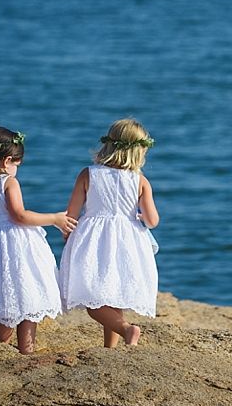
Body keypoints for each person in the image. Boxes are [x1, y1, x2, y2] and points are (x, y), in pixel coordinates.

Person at [0, 126, 77, 354]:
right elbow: (19, 215)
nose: (17, 168)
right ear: (7, 160)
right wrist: (55, 218)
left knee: (2, 300)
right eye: (17, 163)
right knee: (26, 297)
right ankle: (26, 351)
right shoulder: (9, 182)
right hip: (14, 246)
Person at [59, 118, 160, 347]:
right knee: (114, 296)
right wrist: (141, 218)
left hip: (93, 240)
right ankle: (111, 347)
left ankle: (126, 330)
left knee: (94, 301)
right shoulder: (140, 181)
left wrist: (68, 236)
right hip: (128, 241)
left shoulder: (88, 174)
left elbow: (71, 213)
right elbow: (153, 220)